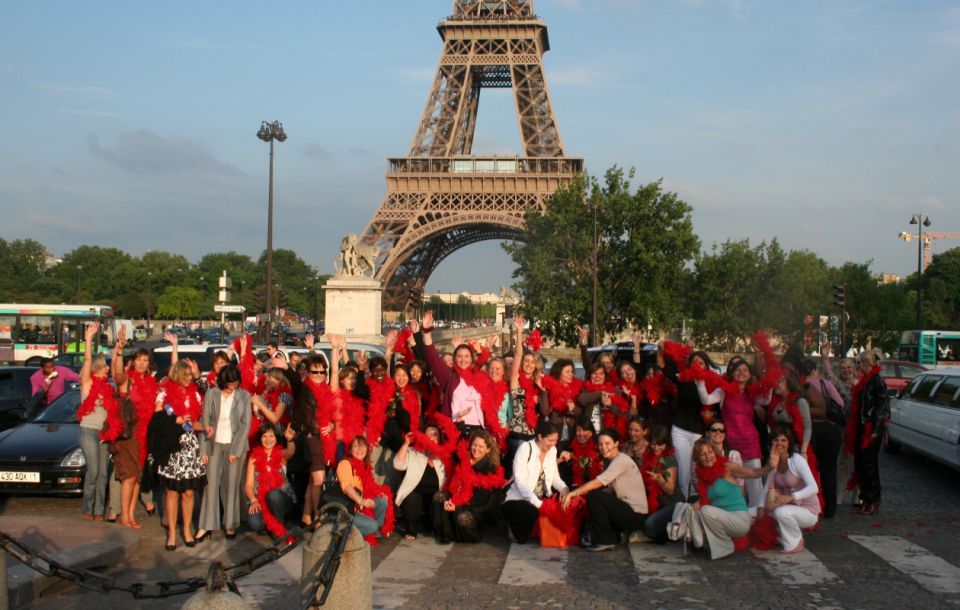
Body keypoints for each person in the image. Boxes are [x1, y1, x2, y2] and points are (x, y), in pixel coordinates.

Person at [678, 440, 773, 560]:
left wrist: (769, 467)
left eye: (710, 452)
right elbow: (703, 500)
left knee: (706, 511)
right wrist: (687, 510)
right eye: (703, 454)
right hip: (723, 518)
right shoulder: (702, 476)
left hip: (739, 519)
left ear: (715, 452)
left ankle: (724, 548)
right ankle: (698, 544)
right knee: (692, 510)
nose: (708, 457)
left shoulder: (726, 467)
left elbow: (753, 473)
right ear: (698, 458)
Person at [562, 428, 648, 552]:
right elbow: (609, 491)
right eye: (601, 444)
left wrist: (573, 493)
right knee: (595, 497)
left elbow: (598, 483)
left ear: (616, 443)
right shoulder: (614, 460)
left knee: (594, 495)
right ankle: (612, 536)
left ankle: (605, 540)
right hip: (629, 511)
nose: (603, 447)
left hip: (635, 515)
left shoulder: (620, 461)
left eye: (607, 443)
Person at [153, 360, 206, 550]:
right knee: (173, 492)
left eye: (190, 375)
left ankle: (187, 530)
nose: (188, 379)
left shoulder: (196, 395)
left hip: (190, 446)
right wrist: (176, 419)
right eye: (185, 375)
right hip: (172, 446)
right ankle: (172, 535)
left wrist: (205, 427)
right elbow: (157, 419)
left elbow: (196, 423)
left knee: (189, 492)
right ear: (176, 375)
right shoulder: (164, 393)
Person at [196, 365, 251, 541]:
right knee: (210, 484)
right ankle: (206, 524)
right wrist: (203, 449)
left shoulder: (244, 396)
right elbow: (205, 420)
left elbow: (245, 425)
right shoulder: (212, 393)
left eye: (235, 384)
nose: (232, 388)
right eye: (229, 384)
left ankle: (230, 524)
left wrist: (236, 450)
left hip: (235, 443)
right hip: (214, 443)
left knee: (231, 486)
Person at [660, 345, 718, 500]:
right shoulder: (683, 378)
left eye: (701, 362)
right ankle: (683, 505)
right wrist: (662, 348)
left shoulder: (713, 383)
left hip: (699, 432)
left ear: (706, 365)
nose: (697, 364)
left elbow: (718, 408)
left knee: (698, 470)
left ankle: (698, 502)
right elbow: (662, 365)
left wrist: (711, 413)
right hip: (681, 430)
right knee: (684, 472)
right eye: (694, 361)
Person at [76, 322, 119, 521]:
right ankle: (88, 507)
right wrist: (89, 338)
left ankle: (99, 510)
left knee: (103, 473)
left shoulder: (109, 386)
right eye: (105, 365)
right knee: (93, 471)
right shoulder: (88, 383)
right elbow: (86, 360)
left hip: (104, 432)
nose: (108, 367)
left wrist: (118, 349)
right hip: (88, 431)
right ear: (98, 368)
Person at [502, 422, 570, 544]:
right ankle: (512, 524)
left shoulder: (553, 450)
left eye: (555, 440)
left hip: (542, 497)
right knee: (531, 515)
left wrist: (564, 488)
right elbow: (520, 481)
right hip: (520, 498)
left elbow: (554, 476)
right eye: (550, 440)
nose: (553, 444)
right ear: (540, 437)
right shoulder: (525, 448)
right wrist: (539, 504)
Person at [433, 430, 504, 544]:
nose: (476, 449)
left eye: (481, 446)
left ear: (488, 450)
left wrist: (456, 504)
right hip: (457, 496)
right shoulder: (464, 458)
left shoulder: (490, 468)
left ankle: (468, 533)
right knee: (439, 497)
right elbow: (452, 444)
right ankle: (445, 533)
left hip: (475, 506)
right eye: (474, 445)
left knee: (461, 516)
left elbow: (480, 499)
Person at [764, 426, 819, 553]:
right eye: (776, 440)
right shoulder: (772, 461)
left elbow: (814, 487)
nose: (779, 443)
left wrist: (792, 497)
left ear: (789, 444)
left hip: (808, 510)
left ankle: (795, 542)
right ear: (771, 442)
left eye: (783, 440)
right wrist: (762, 509)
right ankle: (782, 536)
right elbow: (768, 489)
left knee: (781, 513)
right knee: (760, 515)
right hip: (788, 507)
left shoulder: (797, 460)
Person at [846, 350, 887, 516]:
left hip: (870, 428)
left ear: (869, 364)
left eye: (863, 363)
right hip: (862, 426)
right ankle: (865, 498)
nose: (860, 366)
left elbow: (881, 408)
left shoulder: (877, 381)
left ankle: (873, 500)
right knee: (861, 464)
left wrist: (875, 430)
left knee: (870, 465)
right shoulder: (865, 380)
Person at [393, 424, 447, 539]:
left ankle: (432, 525)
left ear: (439, 439)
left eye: (435, 435)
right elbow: (397, 464)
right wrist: (406, 443)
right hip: (415, 493)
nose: (432, 437)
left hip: (434, 496)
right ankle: (411, 529)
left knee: (439, 497)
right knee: (412, 498)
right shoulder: (413, 451)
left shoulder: (443, 455)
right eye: (429, 434)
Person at [245, 424, 298, 536]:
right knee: (254, 523)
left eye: (271, 436)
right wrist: (253, 500)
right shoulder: (253, 458)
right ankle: (270, 525)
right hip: (261, 500)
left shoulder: (281, 454)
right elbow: (248, 485)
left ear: (276, 438)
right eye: (264, 436)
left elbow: (291, 451)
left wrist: (290, 439)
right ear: (260, 438)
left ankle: (280, 526)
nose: (268, 440)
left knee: (273, 495)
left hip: (282, 499)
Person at [337, 436, 391, 539]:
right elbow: (346, 486)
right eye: (356, 446)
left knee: (382, 501)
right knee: (373, 525)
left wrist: (378, 493)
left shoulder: (363, 465)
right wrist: (360, 500)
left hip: (356, 508)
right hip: (345, 510)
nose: (360, 450)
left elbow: (368, 486)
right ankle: (351, 536)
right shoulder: (345, 464)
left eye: (363, 446)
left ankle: (373, 535)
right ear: (350, 449)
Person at [640, 425, 682, 544]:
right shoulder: (648, 457)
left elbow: (670, 490)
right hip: (658, 505)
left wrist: (660, 480)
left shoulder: (668, 460)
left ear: (666, 444)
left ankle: (676, 530)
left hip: (672, 504)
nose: (656, 448)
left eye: (660, 444)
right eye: (653, 444)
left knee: (650, 525)